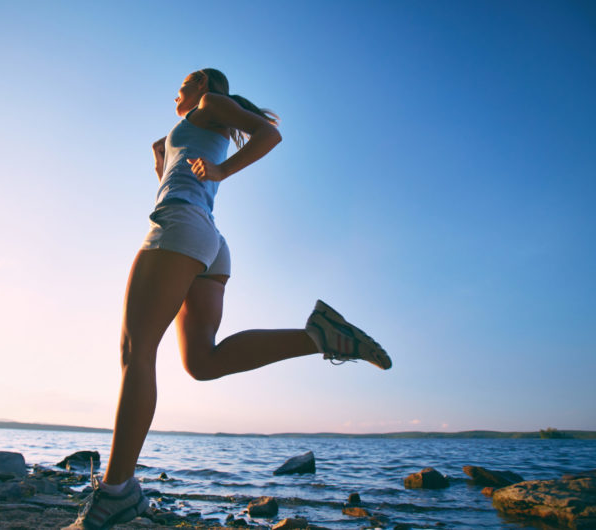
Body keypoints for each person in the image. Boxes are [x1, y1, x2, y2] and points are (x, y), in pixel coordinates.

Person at [65, 68, 391, 530]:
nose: (176, 90)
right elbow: (184, 158)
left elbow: (269, 135)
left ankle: (115, 492)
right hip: (208, 240)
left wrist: (220, 169)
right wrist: (163, 154)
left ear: (202, 84)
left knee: (135, 353)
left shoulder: (209, 105)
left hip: (179, 225)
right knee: (202, 362)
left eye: (183, 83)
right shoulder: (201, 119)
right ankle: (320, 336)